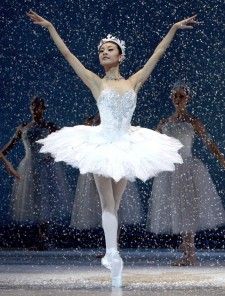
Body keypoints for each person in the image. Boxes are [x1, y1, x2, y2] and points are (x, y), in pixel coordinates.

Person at [27, 9, 198, 286]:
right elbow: (69, 56)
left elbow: (156, 55)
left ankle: (112, 253)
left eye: (110, 49)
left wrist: (174, 28)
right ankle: (112, 253)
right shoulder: (96, 81)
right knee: (108, 204)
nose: (104, 53)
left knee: (113, 206)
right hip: (102, 145)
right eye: (101, 50)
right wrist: (50, 27)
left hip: (126, 146)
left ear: (120, 56)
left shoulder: (134, 81)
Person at [146, 82, 225, 266]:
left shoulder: (193, 122)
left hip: (188, 168)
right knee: (178, 208)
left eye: (181, 96)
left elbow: (208, 141)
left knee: (187, 209)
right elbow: (150, 144)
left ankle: (190, 254)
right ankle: (187, 250)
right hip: (170, 169)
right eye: (175, 96)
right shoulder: (164, 123)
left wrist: (221, 157)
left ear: (187, 98)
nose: (177, 99)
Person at [1, 96, 73, 249]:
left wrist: (52, 155)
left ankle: (44, 238)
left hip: (45, 167)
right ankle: (39, 238)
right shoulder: (23, 127)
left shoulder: (49, 126)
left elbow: (65, 142)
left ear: (43, 108)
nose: (35, 109)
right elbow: (10, 146)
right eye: (33, 106)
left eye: (38, 106)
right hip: (28, 166)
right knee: (33, 200)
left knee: (44, 201)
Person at [70, 114, 144, 231]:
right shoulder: (92, 121)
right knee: (106, 205)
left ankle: (114, 241)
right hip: (100, 165)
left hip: (117, 164)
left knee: (116, 205)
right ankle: (110, 242)